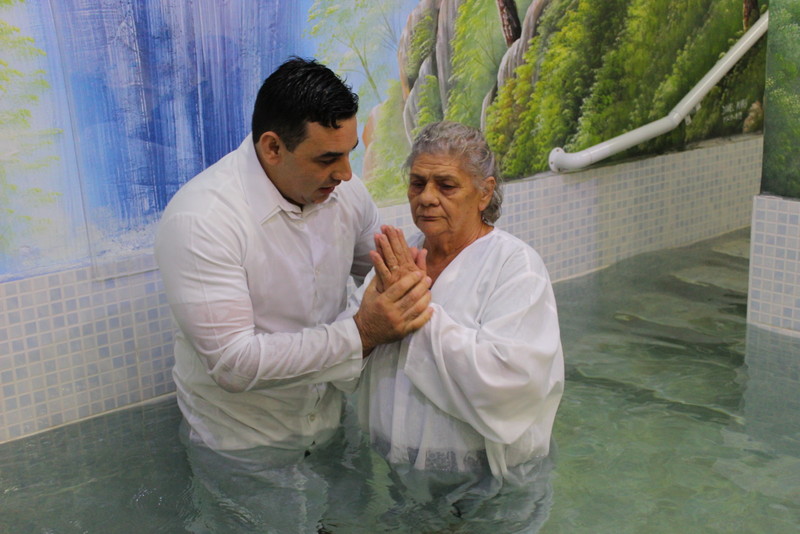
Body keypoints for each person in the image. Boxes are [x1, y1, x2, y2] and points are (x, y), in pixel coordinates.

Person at [154, 57, 432, 532]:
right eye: (327, 159)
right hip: (243, 449)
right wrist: (362, 334)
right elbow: (234, 364)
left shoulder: (345, 195)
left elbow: (383, 270)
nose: (346, 174)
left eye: (349, 153)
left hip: (331, 429)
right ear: (272, 148)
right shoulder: (201, 221)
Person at [344, 121, 565, 531]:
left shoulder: (515, 267)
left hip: (489, 487)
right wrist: (372, 326)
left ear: (484, 192)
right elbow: (350, 347)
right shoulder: (401, 261)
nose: (426, 197)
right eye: (417, 183)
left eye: (446, 185)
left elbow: (511, 382)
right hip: (395, 475)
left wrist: (417, 311)